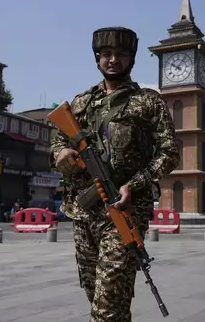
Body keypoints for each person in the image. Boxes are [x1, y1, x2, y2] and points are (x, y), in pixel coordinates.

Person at [50, 26, 180, 322]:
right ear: (97, 59)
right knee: (98, 293)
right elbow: (58, 138)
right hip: (84, 212)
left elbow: (170, 152)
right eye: (106, 54)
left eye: (120, 55)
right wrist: (60, 154)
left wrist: (133, 185)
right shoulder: (81, 103)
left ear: (131, 60)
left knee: (107, 302)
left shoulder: (148, 102)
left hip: (126, 211)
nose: (112, 60)